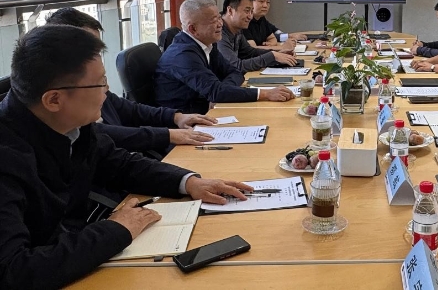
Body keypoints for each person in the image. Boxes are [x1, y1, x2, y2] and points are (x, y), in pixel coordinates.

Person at [0, 25, 254, 289]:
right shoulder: (7, 157)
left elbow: (118, 163)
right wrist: (117, 230)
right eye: (100, 83)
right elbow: (13, 271)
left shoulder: (71, 122)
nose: (107, 90)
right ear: (54, 100)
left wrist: (189, 182)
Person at [44, 7, 217, 154]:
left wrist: (176, 117)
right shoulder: (65, 97)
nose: (97, 57)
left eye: (98, 51)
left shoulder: (94, 84)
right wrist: (168, 134)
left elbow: (131, 110)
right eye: (90, 52)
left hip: (131, 158)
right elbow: (100, 133)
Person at [155, 0, 294, 114]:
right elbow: (216, 91)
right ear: (193, 28)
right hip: (184, 121)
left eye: (219, 18)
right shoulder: (182, 55)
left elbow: (235, 72)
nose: (220, 24)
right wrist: (266, 93)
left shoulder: (208, 43)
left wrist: (222, 92)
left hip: (209, 110)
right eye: (213, 21)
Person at [219, 0, 297, 71]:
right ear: (230, 10)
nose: (250, 16)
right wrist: (272, 56)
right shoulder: (218, 32)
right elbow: (235, 66)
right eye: (247, 11)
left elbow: (250, 53)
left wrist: (278, 55)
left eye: (251, 11)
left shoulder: (237, 30)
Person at [242, 0, 306, 49]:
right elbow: (252, 49)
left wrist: (271, 44)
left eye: (268, 2)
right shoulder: (244, 21)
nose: (265, 5)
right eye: (261, 1)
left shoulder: (261, 19)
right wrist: (282, 47)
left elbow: (272, 38)